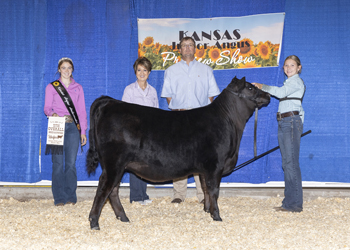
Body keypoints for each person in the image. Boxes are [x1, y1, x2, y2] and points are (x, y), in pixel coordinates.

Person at [161, 37, 221, 204]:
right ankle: (179, 194)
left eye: (190, 45)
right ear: (179, 49)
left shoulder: (206, 70)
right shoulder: (171, 71)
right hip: (179, 117)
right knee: (179, 154)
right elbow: (168, 95)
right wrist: (176, 109)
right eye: (184, 46)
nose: (187, 48)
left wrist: (203, 112)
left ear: (195, 49)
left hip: (200, 118)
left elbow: (211, 94)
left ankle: (203, 195)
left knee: (201, 155)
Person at [252, 55, 305, 212]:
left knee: (291, 163)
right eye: (286, 65)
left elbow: (280, 93)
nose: (288, 68)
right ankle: (289, 202)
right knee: (287, 163)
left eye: (292, 65)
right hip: (285, 122)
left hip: (290, 122)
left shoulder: (296, 81)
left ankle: (294, 204)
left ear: (299, 68)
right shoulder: (289, 82)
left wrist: (263, 86)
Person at [44, 57, 87, 206]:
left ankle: (70, 196)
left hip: (73, 127)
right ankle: (59, 198)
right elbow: (46, 108)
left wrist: (83, 131)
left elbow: (81, 111)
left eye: (69, 68)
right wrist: (52, 113)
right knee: (57, 163)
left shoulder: (78, 88)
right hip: (56, 125)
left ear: (72, 70)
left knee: (70, 163)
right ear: (59, 70)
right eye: (63, 68)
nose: (66, 70)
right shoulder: (52, 87)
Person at [122, 57, 159, 205]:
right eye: (139, 70)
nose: (142, 73)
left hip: (149, 132)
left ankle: (143, 194)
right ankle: (136, 196)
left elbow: (156, 113)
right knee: (134, 163)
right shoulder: (129, 90)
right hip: (134, 132)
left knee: (146, 163)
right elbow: (124, 112)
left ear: (149, 73)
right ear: (135, 72)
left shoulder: (153, 91)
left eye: (145, 70)